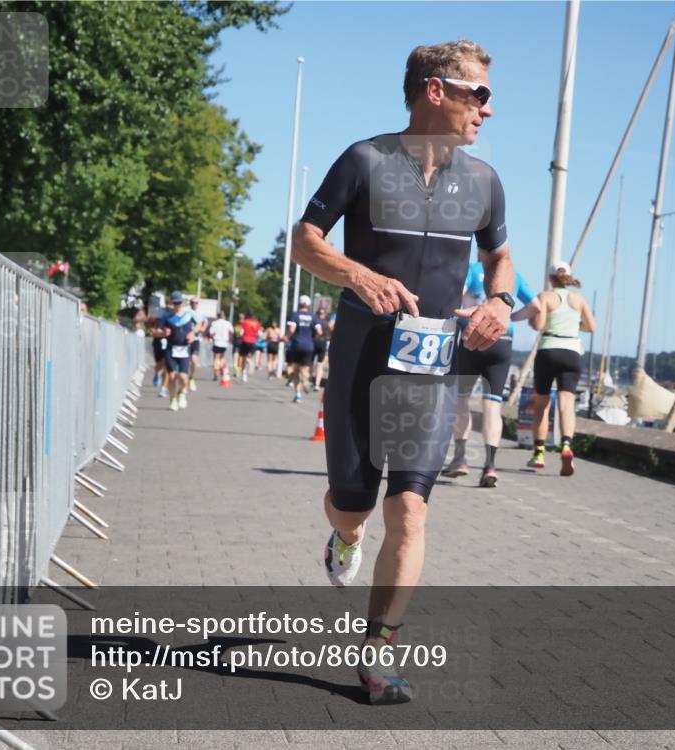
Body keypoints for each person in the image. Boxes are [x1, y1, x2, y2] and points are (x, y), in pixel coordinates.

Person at [291, 39, 512, 704]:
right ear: (436, 90)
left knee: (410, 511)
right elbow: (305, 240)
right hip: (362, 355)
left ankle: (377, 656)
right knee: (354, 505)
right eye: (479, 94)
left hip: (431, 366)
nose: (488, 110)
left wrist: (499, 302)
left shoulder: (484, 182)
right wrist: (358, 275)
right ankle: (344, 534)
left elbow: (499, 258)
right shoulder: (365, 161)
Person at [442, 262, 538, 487]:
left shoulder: (472, 270)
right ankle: (490, 465)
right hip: (502, 339)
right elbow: (536, 306)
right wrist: (511, 317)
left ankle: (460, 459)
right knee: (493, 406)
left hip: (472, 336)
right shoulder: (514, 276)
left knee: (461, 401)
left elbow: (456, 295)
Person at [525, 262, 596, 475]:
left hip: (548, 350)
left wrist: (532, 321)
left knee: (542, 405)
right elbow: (592, 327)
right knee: (566, 404)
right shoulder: (578, 299)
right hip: (571, 352)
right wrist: (576, 326)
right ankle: (566, 446)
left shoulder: (545, 297)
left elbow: (539, 325)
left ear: (550, 278)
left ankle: (539, 453)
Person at [162, 291, 197, 411]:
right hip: (171, 349)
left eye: (179, 303)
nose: (177, 305)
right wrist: (163, 332)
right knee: (172, 376)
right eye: (175, 303)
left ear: (182, 302)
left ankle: (182, 393)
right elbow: (156, 331)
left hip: (184, 350)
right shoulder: (166, 317)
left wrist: (193, 333)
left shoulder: (189, 315)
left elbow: (201, 324)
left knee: (183, 377)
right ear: (171, 303)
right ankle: (172, 399)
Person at [284, 296, 320, 401]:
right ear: (308, 305)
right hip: (309, 346)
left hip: (297, 345)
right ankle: (305, 380)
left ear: (299, 304)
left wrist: (286, 337)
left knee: (296, 370)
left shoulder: (295, 315)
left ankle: (298, 394)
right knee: (305, 368)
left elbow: (292, 329)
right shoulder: (313, 317)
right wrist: (312, 338)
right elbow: (319, 332)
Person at [186, 296, 208, 392]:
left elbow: (205, 322)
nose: (194, 304)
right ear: (190, 303)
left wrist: (203, 328)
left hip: (195, 340)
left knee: (194, 361)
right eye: (193, 302)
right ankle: (184, 380)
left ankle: (191, 378)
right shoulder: (186, 312)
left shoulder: (201, 313)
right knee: (186, 361)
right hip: (186, 339)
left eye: (196, 303)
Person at [148, 304, 170, 398]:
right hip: (158, 343)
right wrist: (162, 334)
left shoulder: (176, 316)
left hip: (170, 344)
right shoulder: (158, 313)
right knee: (159, 364)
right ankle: (157, 374)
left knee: (167, 366)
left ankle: (163, 389)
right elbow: (152, 330)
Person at [237, 311, 263, 383]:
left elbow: (241, 332)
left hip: (245, 341)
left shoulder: (244, 322)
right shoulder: (257, 323)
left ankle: (244, 373)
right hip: (253, 342)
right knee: (249, 356)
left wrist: (239, 335)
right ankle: (251, 363)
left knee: (243, 357)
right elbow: (260, 333)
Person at [208, 309, 234, 380]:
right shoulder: (228, 323)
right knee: (222, 357)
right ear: (224, 316)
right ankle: (221, 368)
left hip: (217, 341)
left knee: (216, 357)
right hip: (224, 342)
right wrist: (230, 339)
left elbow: (211, 333)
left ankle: (216, 372)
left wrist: (212, 337)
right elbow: (231, 332)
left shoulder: (214, 323)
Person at [312, 308, 330, 391]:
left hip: (314, 342)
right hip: (323, 343)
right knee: (320, 365)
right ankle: (317, 384)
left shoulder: (314, 321)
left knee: (310, 363)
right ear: (325, 314)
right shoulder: (327, 323)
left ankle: (308, 380)